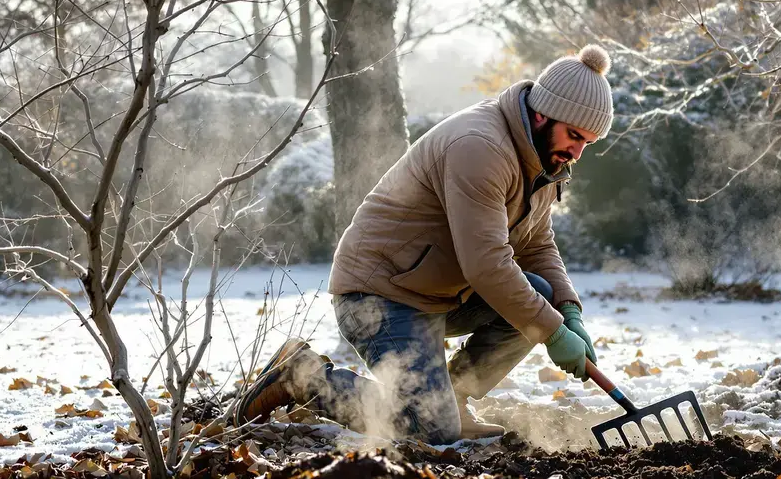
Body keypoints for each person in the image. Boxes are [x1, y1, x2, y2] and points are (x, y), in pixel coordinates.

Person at [233, 45, 614, 444]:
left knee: (543, 295)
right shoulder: (480, 147)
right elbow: (487, 265)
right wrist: (552, 332)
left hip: (437, 296)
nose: (577, 152)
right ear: (542, 114)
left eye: (587, 141)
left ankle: (454, 398)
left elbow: (536, 245)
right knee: (428, 429)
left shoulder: (544, 161)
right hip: (379, 294)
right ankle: (302, 376)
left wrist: (568, 312)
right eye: (573, 136)